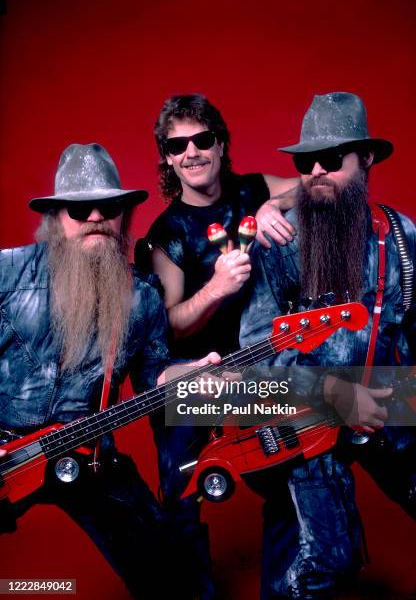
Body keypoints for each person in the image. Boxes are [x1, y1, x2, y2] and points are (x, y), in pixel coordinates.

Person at [0, 143, 218, 599]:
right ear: (57, 218)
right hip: (5, 451)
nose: (96, 216)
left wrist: (191, 376)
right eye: (80, 209)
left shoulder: (141, 297)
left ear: (123, 215)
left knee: (175, 577)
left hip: (87, 455)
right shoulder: (8, 273)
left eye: (109, 206)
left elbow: (154, 374)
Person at [240, 92, 416, 597]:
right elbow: (256, 355)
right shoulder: (278, 241)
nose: (315, 170)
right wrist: (331, 394)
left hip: (388, 399)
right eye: (304, 161)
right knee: (327, 564)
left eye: (331, 159)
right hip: (308, 410)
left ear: (367, 160)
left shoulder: (401, 235)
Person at [134, 94, 299, 598]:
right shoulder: (168, 234)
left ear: (221, 144)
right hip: (193, 378)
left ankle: (284, 590)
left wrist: (276, 203)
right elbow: (169, 329)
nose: (192, 152)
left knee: (291, 481)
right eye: (177, 144)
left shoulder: (252, 189)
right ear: (165, 156)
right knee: (182, 497)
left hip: (260, 373)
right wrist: (216, 290)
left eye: (202, 139)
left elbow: (318, 184)